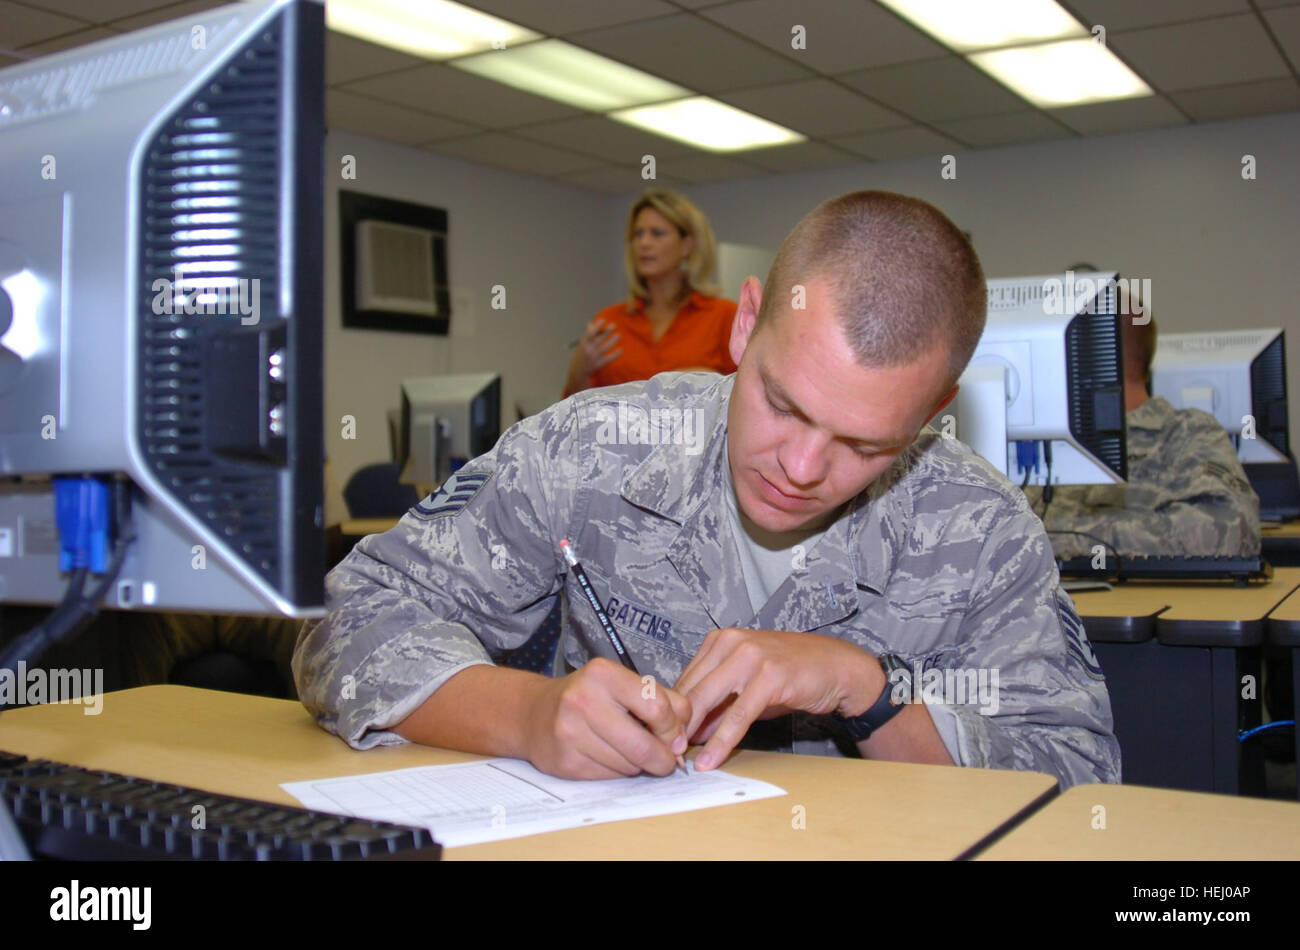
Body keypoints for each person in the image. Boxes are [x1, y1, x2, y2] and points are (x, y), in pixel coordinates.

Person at [294, 191, 1119, 790]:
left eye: (866, 443)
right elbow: (346, 621)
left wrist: (870, 692)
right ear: (744, 322)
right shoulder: (594, 447)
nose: (799, 467)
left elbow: (1081, 780)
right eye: (782, 403)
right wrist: (528, 717)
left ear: (936, 410)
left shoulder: (981, 530)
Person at [1032, 289, 1261, 560]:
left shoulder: (1185, 432)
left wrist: (1058, 538)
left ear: (1095, 357)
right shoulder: (1043, 446)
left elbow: (1229, 530)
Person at [562, 190, 737, 397]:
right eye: (638, 234)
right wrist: (578, 372)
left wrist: (707, 381)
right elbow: (575, 416)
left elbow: (749, 404)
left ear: (686, 245)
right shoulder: (609, 323)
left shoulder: (725, 316)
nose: (644, 243)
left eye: (657, 233)